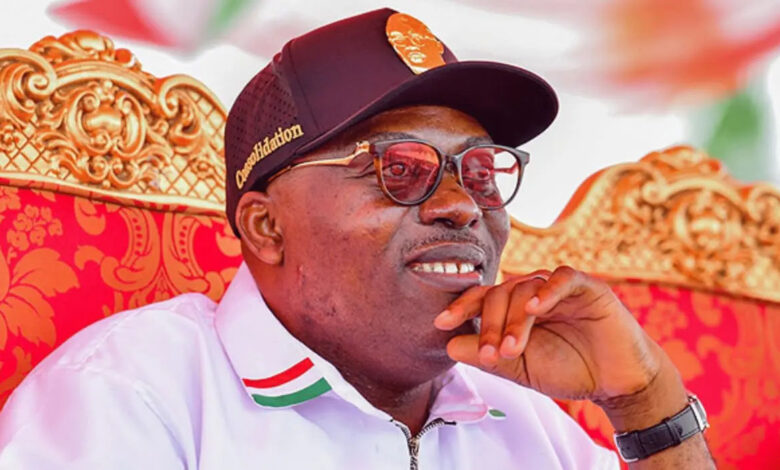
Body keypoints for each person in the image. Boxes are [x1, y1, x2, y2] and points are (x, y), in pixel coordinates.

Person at [0, 8, 714, 469]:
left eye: (480, 171)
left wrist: (646, 401)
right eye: (399, 169)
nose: (462, 206)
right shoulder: (135, 395)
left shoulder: (522, 416)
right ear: (267, 228)